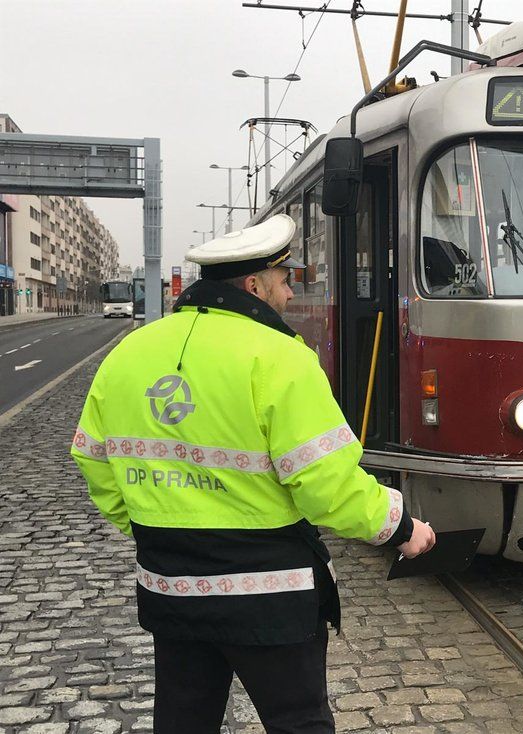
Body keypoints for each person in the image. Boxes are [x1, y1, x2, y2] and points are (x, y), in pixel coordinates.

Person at [70, 213, 435, 734]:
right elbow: (326, 484)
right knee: (298, 721)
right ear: (254, 284)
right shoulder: (281, 357)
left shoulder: (129, 353)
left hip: (172, 589)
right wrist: (401, 528)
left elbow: (92, 455)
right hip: (269, 595)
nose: (288, 296)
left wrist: (151, 524)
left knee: (183, 721)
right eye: (285, 281)